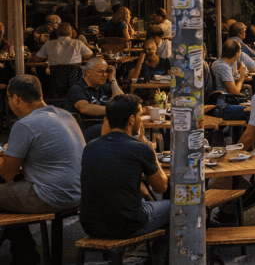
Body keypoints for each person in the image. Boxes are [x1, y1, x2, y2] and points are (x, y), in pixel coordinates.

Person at [0, 75, 86, 265]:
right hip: (81, 191)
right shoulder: (65, 114)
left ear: (16, 98)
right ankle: (23, 250)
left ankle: (25, 251)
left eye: (8, 98)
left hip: (53, 195)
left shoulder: (24, 124)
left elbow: (7, 173)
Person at [80, 94, 168, 265]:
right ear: (131, 119)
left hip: (90, 224)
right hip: (127, 224)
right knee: (175, 208)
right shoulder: (140, 148)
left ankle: (139, 256)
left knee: (141, 199)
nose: (142, 120)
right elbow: (161, 187)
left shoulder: (90, 147)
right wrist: (151, 150)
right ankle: (154, 260)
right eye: (141, 115)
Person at [66, 58, 125, 129]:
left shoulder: (105, 87)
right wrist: (112, 110)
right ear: (88, 72)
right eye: (100, 72)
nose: (104, 75)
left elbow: (123, 101)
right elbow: (84, 108)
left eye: (106, 72)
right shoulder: (77, 88)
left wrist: (113, 79)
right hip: (86, 129)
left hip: (105, 124)